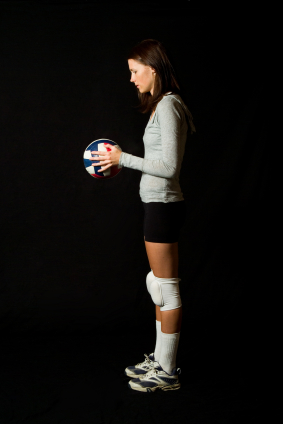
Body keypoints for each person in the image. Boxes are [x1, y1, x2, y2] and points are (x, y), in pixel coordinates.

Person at [90, 39, 196, 392]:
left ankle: (167, 373)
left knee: (167, 291)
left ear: (153, 68)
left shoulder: (168, 105)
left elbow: (169, 167)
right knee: (158, 286)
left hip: (164, 207)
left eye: (135, 71)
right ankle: (160, 359)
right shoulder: (161, 106)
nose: (132, 79)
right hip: (157, 207)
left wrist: (123, 159)